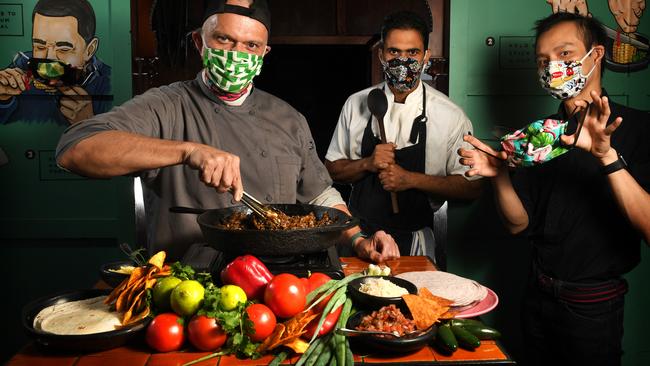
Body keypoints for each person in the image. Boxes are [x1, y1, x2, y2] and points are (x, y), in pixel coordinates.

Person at [55, 0, 399, 263]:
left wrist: (358, 241)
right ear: (199, 43)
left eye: (251, 46)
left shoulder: (288, 118)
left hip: (277, 281)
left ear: (264, 54)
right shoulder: (165, 105)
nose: (237, 54)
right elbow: (76, 150)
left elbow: (320, 197)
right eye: (224, 40)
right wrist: (188, 151)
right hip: (188, 286)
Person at [458, 12, 650, 366]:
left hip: (594, 307)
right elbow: (518, 224)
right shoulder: (539, 135)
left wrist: (606, 156)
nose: (552, 67)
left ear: (596, 55)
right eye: (543, 61)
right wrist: (498, 175)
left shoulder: (639, 128)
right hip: (537, 297)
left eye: (564, 55)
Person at [325, 11, 482, 268]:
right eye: (394, 52)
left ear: (426, 56)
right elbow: (331, 170)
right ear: (380, 54)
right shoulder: (356, 104)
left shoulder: (449, 115)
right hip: (358, 237)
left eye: (412, 53)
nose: (403, 61)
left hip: (415, 240)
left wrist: (410, 180)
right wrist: (367, 164)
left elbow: (472, 187)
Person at [0, 0, 111, 125]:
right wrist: (3, 99)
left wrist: (88, 123)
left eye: (64, 49)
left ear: (89, 50)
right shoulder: (20, 67)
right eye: (40, 47)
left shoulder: (107, 81)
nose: (49, 59)